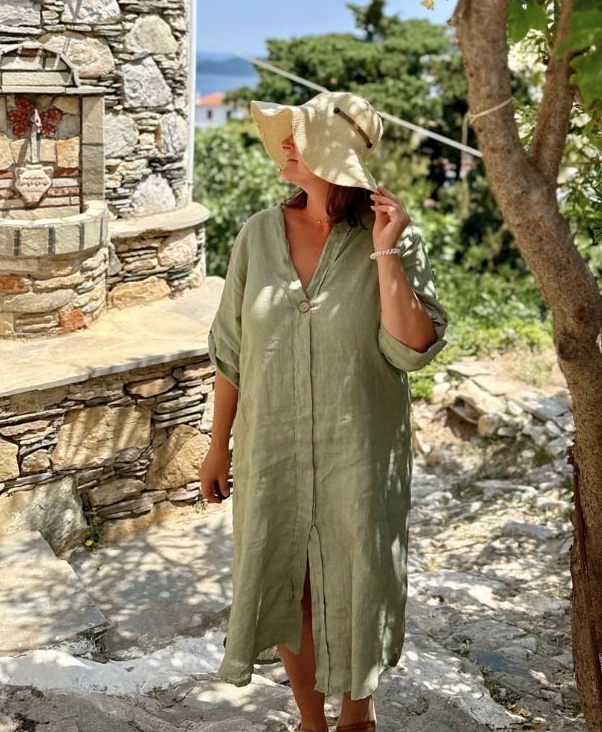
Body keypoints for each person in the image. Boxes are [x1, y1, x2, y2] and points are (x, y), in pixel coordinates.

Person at [199, 89, 449, 732]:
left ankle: (358, 719)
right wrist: (216, 444)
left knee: (356, 584)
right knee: (287, 582)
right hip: (270, 447)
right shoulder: (256, 235)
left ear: (333, 161)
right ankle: (313, 721)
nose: (283, 146)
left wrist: (388, 252)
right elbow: (231, 353)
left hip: (358, 453)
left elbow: (410, 348)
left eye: (299, 137)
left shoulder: (390, 239)